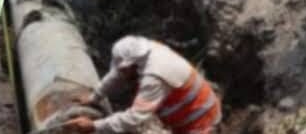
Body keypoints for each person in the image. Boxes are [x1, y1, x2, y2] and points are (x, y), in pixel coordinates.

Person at [64, 36, 222, 134]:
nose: (122, 75)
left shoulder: (154, 76)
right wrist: (95, 97)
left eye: (124, 70)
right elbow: (117, 75)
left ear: (131, 66)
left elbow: (134, 118)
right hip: (185, 117)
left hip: (201, 120)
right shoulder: (143, 51)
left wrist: (95, 126)